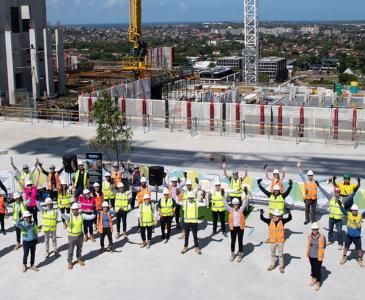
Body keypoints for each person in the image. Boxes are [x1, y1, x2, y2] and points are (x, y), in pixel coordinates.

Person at [316, 179, 359, 250]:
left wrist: (357, 187)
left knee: (339, 232)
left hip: (338, 219)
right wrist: (318, 186)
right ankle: (330, 240)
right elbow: (324, 192)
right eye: (335, 192)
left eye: (338, 192)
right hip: (331, 218)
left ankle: (340, 243)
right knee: (330, 230)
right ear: (334, 192)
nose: (336, 193)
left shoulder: (343, 200)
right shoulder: (331, 198)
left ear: (339, 193)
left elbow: (351, 195)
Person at [260, 208, 292, 273]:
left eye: (278, 216)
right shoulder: (269, 221)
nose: (277, 217)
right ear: (273, 216)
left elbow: (289, 218)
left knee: (280, 255)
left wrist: (289, 212)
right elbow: (262, 218)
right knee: (273, 254)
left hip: (280, 241)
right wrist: (261, 213)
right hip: (272, 241)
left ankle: (281, 267)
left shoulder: (282, 221)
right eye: (276, 216)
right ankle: (272, 265)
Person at [62, 202, 90, 270]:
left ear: (78, 209)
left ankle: (79, 259)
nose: (74, 210)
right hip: (72, 236)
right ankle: (69, 262)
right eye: (73, 209)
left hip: (80, 235)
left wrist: (94, 211)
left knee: (79, 248)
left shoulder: (81, 215)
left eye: (75, 209)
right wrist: (62, 210)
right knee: (70, 250)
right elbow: (63, 216)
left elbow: (89, 217)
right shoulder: (69, 216)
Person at [224, 197, 247, 262]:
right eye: (234, 204)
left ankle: (240, 254)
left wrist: (245, 195)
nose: (236, 205)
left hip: (240, 228)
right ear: (232, 204)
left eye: (237, 204)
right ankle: (232, 254)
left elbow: (244, 204)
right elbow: (225, 204)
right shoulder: (230, 210)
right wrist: (223, 197)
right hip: (233, 228)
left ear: (238, 204)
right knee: (233, 241)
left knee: (240, 241)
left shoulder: (241, 209)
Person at [306, 222, 326, 291]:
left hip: (318, 256)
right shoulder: (309, 236)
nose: (314, 230)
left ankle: (318, 282)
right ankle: (313, 278)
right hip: (311, 255)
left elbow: (324, 245)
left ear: (318, 229)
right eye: (313, 229)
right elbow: (309, 244)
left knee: (317, 269)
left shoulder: (322, 236)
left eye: (316, 229)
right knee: (313, 267)